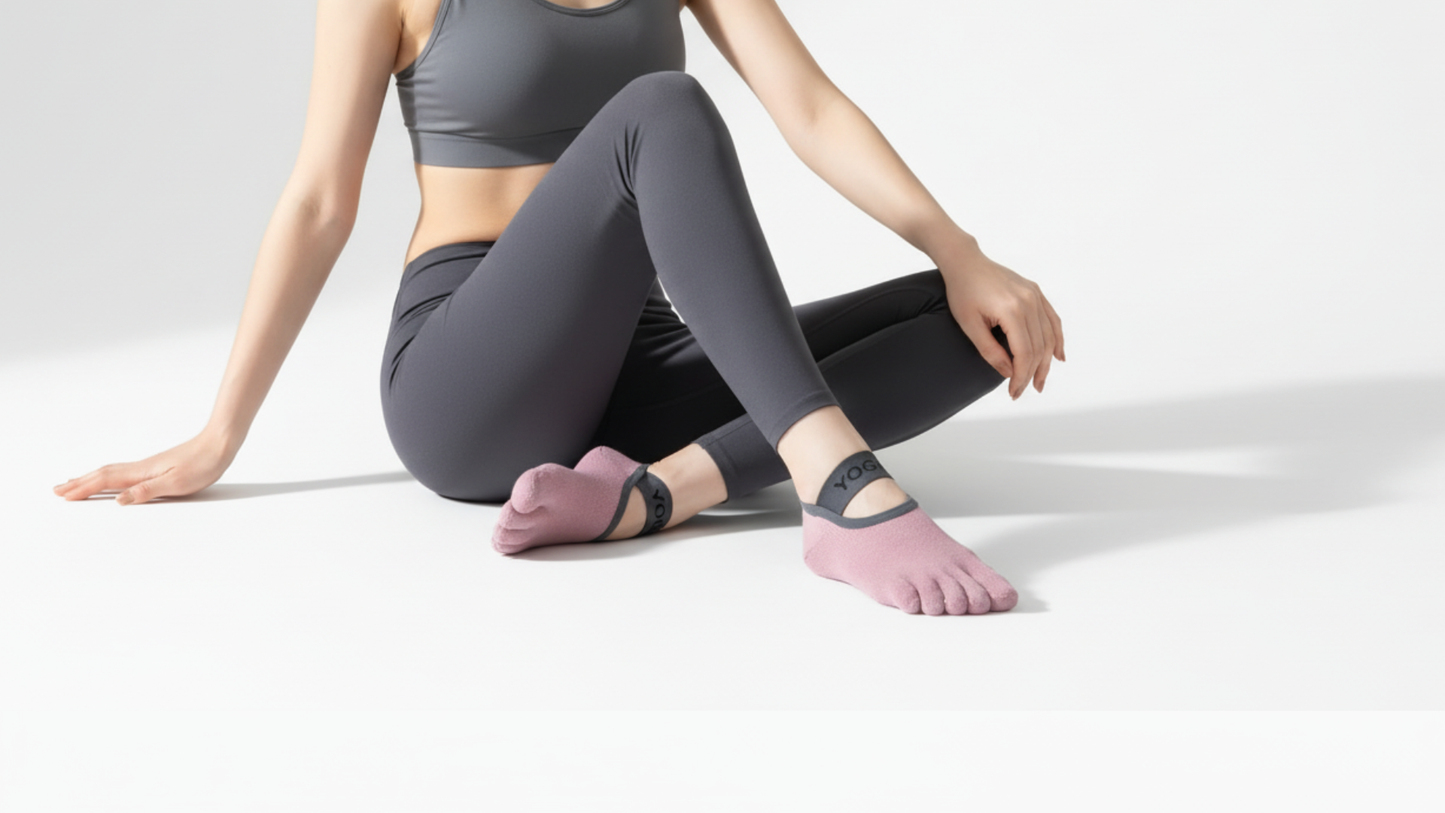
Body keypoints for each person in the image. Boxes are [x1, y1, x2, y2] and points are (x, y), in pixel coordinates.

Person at [53, 0, 1065, 616]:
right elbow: (320, 200)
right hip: (468, 381)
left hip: (632, 355)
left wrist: (959, 252)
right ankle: (837, 488)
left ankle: (653, 495)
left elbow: (810, 107)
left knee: (971, 327)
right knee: (659, 107)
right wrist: (222, 432)